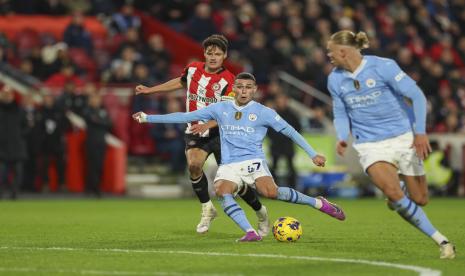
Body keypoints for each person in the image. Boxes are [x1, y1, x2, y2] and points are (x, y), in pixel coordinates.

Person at [133, 72, 345, 242]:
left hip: (253, 160)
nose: (243, 91)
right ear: (234, 89)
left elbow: (290, 131)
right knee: (222, 190)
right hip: (230, 163)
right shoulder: (220, 108)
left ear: (255, 90)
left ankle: (317, 203)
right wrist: (147, 117)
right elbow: (185, 116)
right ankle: (250, 231)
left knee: (270, 193)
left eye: (248, 88)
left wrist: (312, 153)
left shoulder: (264, 112)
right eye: (240, 87)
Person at [326, 30, 455, 259]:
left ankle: (403, 191)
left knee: (420, 199)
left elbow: (416, 96)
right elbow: (340, 112)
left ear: (343, 51)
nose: (329, 55)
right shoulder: (335, 78)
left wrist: (421, 133)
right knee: (393, 193)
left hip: (403, 138)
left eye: (331, 51)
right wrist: (343, 136)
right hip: (369, 145)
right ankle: (442, 241)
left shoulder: (383, 66)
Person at [134, 34, 269, 235]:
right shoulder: (193, 69)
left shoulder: (229, 80)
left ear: (225, 55)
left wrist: (209, 124)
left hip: (223, 135)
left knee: (237, 183)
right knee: (194, 165)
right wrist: (150, 90)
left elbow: (229, 112)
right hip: (196, 131)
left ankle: (260, 212)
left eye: (218, 54)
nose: (213, 57)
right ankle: (207, 209)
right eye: (209, 53)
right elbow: (180, 82)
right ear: (204, 54)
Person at [268, 93, 301, 189]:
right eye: (279, 101)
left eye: (283, 100)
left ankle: (293, 187)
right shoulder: (272, 115)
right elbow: (268, 129)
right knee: (273, 167)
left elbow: (298, 128)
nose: (281, 103)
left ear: (286, 102)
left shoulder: (292, 115)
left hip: (288, 145)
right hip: (276, 145)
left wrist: (291, 137)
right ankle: (272, 188)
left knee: (291, 167)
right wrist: (274, 138)